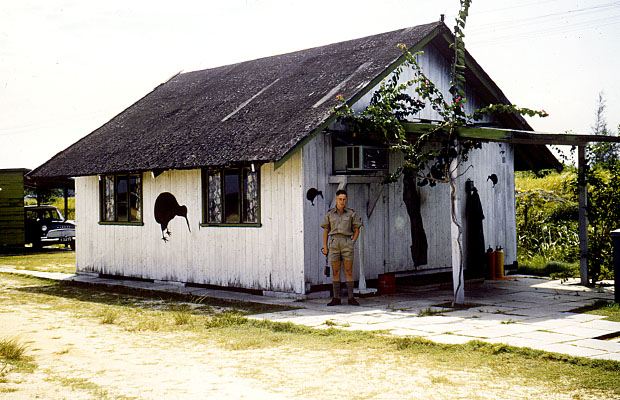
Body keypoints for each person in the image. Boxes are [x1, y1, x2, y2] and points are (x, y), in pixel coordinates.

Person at [320, 189, 362, 306]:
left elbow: (357, 229)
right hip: (334, 243)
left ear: (346, 200)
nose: (342, 201)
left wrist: (352, 241)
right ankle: (336, 298)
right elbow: (325, 230)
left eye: (344, 199)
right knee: (336, 271)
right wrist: (325, 246)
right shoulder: (330, 214)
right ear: (336, 199)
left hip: (346, 242)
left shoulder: (351, 213)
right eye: (340, 199)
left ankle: (350, 298)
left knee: (348, 271)